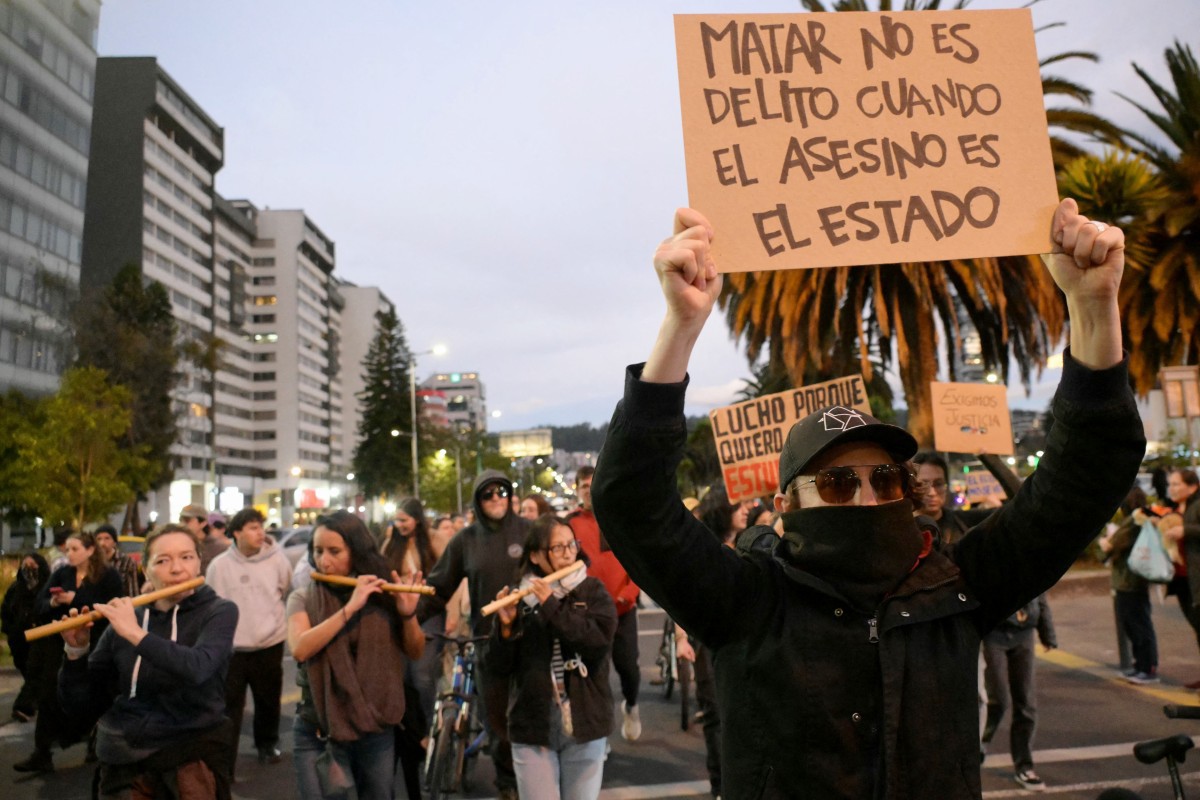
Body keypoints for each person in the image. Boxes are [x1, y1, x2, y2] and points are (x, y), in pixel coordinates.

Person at [590, 200, 1145, 798]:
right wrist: (681, 326)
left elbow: (1083, 477)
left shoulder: (955, 589)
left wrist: (1092, 306)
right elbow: (631, 501)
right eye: (835, 483)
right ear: (786, 505)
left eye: (886, 480)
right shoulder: (746, 601)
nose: (866, 497)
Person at [56, 523, 239, 797]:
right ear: (147, 570)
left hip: (190, 750)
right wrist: (76, 652)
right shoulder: (129, 617)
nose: (177, 569)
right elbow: (79, 705)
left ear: (199, 562)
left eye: (187, 557)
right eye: (163, 561)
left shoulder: (219, 611)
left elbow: (198, 668)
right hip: (123, 754)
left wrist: (135, 633)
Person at [287, 510, 424, 800]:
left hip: (374, 729)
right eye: (318, 551)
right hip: (318, 729)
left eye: (335, 551)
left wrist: (408, 614)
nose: (325, 561)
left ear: (356, 551)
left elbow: (415, 650)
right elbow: (300, 647)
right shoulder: (303, 597)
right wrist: (350, 608)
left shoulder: (383, 594)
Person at [490, 514, 618, 800]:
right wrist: (506, 629)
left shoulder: (592, 590)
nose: (568, 553)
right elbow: (498, 666)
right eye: (557, 548)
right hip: (534, 724)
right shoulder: (520, 598)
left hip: (585, 721)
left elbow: (596, 643)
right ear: (535, 556)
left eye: (571, 544)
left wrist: (551, 606)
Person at [424, 470, 530, 800]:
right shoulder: (465, 540)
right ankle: (507, 783)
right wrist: (408, 618)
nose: (496, 498)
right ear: (477, 501)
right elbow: (439, 588)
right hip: (488, 644)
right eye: (487, 494)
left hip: (531, 641)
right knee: (498, 724)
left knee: (532, 716)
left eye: (501, 492)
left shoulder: (530, 532)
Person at [15, 530, 125, 773]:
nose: (70, 553)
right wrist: (54, 602)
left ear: (90, 550)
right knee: (48, 695)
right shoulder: (62, 573)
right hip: (60, 646)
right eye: (69, 549)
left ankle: (94, 743)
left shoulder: (108, 577)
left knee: (97, 695)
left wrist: (76, 598)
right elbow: (40, 604)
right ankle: (42, 752)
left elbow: (113, 607)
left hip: (98, 644)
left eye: (76, 549)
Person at [205, 507, 292, 769]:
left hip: (270, 642)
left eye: (260, 527)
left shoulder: (278, 560)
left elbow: (284, 589)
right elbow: (211, 605)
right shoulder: (219, 566)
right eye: (253, 528)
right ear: (237, 533)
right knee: (230, 705)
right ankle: (226, 757)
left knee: (268, 699)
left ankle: (267, 745)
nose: (260, 533)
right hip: (233, 649)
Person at [567, 465, 644, 742]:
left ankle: (632, 705)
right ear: (577, 491)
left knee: (629, 670)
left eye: (593, 484)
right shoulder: (570, 524)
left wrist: (631, 591)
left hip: (623, 610)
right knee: (595, 676)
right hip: (590, 616)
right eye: (584, 486)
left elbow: (638, 560)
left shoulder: (619, 518)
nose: (589, 491)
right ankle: (601, 737)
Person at [980, 594, 1057, 790]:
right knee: (998, 699)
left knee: (1026, 703)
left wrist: (1047, 633)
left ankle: (1024, 766)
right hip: (993, 633)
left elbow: (1041, 594)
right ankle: (982, 740)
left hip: (1024, 633)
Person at [1098, 487, 1160, 684]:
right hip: (1131, 579)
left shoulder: (1136, 519)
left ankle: (1147, 668)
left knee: (1138, 625)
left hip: (1130, 580)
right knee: (1134, 624)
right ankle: (1140, 665)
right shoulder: (1143, 516)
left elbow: (1111, 546)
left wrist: (1105, 543)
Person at [1160, 468, 1200, 687]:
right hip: (1183, 580)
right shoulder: (1177, 509)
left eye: (1176, 484)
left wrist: (1185, 530)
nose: (1171, 488)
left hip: (1196, 580)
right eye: (1170, 484)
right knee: (1197, 628)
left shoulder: (1197, 505)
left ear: (1192, 486)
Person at [1, 552, 50, 722]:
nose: (29, 570)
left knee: (35, 671)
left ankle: (24, 706)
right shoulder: (16, 589)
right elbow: (6, 611)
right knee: (29, 671)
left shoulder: (47, 587)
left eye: (33, 566)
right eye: (26, 566)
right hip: (18, 638)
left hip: (40, 637)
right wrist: (10, 630)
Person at [94, 524, 143, 597]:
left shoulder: (126, 562)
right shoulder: (91, 562)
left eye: (107, 538)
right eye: (99, 539)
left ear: (114, 542)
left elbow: (133, 591)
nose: (102, 543)